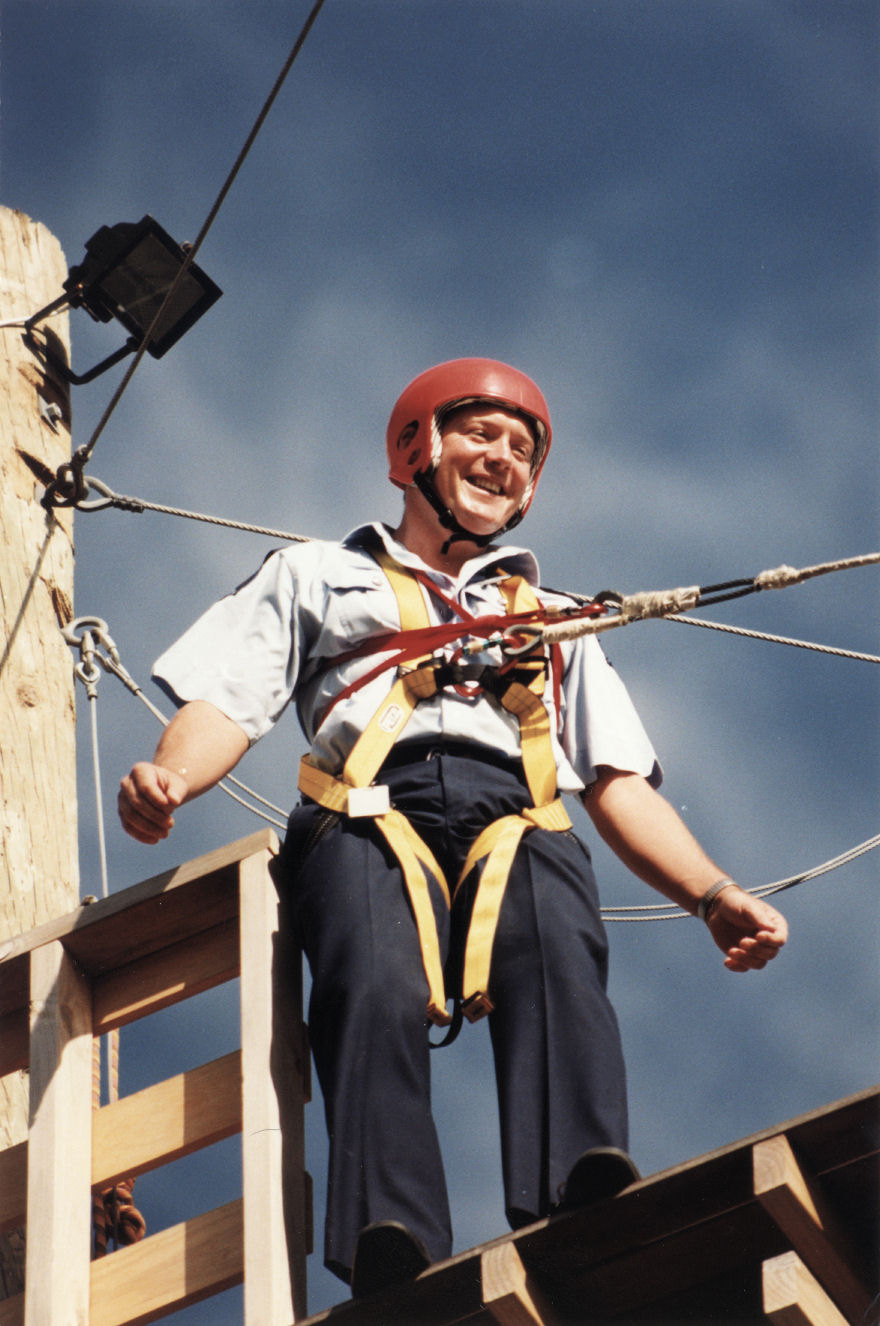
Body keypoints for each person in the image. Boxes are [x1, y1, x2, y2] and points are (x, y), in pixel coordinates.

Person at [118, 358, 788, 1298]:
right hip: (365, 807)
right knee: (373, 978)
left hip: (517, 809)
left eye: (522, 449)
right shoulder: (318, 573)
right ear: (417, 447)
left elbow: (618, 780)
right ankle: (388, 1232)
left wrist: (711, 893)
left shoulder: (553, 621)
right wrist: (171, 778)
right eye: (481, 434)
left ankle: (581, 1184)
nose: (503, 458)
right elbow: (230, 697)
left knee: (557, 945)